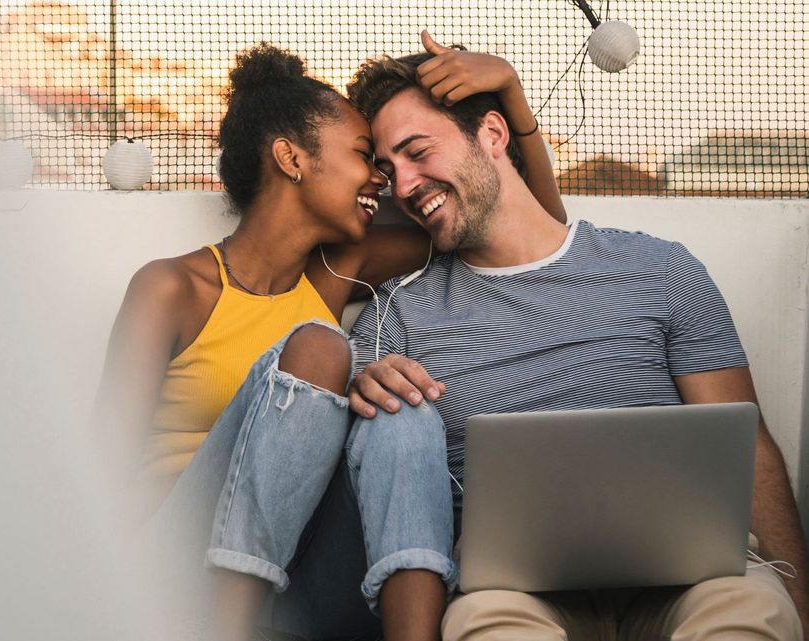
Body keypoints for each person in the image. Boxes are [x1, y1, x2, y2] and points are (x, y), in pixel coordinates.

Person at [341, 31, 809, 640]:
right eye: (388, 169)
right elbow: (367, 443)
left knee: (750, 619)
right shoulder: (397, 314)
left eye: (417, 152)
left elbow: (750, 447)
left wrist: (800, 603)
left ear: (492, 134)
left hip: (694, 584)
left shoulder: (661, 269)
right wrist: (360, 380)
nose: (402, 185)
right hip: (513, 596)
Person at [93, 39, 564, 641]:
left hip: (295, 568)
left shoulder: (340, 269)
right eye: (366, 155)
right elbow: (102, 468)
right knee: (320, 348)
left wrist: (510, 93)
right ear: (292, 158)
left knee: (400, 396)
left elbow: (525, 225)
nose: (382, 179)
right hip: (175, 562)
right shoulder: (171, 288)